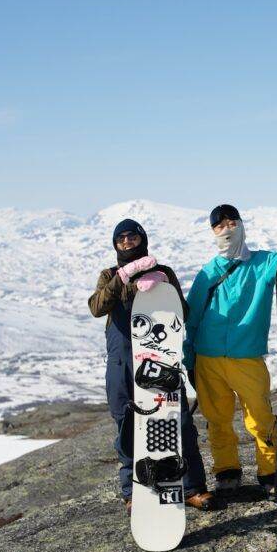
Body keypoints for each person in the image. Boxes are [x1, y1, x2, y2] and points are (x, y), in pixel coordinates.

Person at [88, 218, 213, 512]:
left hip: (160, 358)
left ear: (142, 239)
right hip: (122, 361)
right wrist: (124, 278)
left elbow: (182, 312)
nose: (127, 242)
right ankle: (134, 493)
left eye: (132, 237)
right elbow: (97, 306)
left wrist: (163, 288)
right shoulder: (109, 274)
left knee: (177, 421)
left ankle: (192, 487)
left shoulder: (164, 271)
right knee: (126, 425)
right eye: (121, 239)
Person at [184, 204, 277, 497]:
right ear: (213, 232)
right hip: (208, 358)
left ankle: (270, 472)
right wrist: (190, 360)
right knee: (217, 419)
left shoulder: (262, 263)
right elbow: (192, 319)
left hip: (247, 357)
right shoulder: (208, 272)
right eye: (219, 226)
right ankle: (227, 471)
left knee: (261, 417)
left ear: (241, 225)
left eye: (231, 222)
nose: (226, 229)